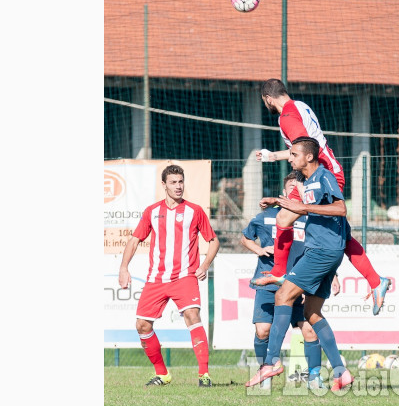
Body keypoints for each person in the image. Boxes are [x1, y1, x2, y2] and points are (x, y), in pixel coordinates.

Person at [251, 78, 391, 316]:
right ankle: (376, 280)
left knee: (299, 223)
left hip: (321, 177)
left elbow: (306, 148)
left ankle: (280, 271)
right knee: (334, 233)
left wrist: (289, 172)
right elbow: (306, 147)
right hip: (318, 173)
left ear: (268, 98)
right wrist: (277, 158)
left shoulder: (286, 117)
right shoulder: (299, 105)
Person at [245, 137, 354, 392]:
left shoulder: (323, 175)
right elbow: (301, 209)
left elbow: (341, 209)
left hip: (322, 251)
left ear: (309, 157)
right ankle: (341, 371)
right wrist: (280, 201)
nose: (290, 158)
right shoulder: (310, 182)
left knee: (283, 295)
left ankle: (270, 363)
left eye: (293, 154)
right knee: (312, 314)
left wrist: (303, 207)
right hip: (327, 251)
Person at [118, 164, 220, 388]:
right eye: (173, 182)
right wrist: (124, 267)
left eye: (181, 182)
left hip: (185, 277)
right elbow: (135, 240)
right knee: (142, 325)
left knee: (193, 315)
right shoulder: (152, 211)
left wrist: (205, 264)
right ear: (164, 185)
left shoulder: (195, 211)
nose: (178, 186)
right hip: (156, 279)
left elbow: (213, 241)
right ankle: (162, 374)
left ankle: (204, 375)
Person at [241, 171, 330, 389]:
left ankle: (315, 378)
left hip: (298, 284)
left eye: (297, 188)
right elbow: (244, 238)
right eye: (290, 187)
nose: (293, 191)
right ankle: (266, 373)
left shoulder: (310, 218)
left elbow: (322, 248)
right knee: (262, 330)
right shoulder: (265, 217)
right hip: (268, 282)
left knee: (309, 329)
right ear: (283, 192)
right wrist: (260, 249)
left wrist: (332, 275)